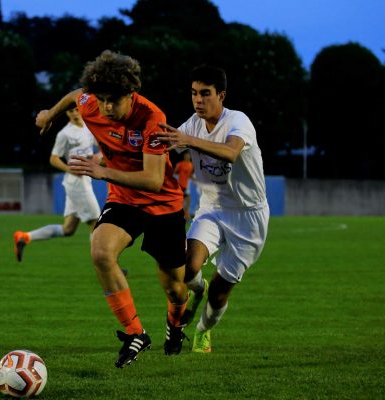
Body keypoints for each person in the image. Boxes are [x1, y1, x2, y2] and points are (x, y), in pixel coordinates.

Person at [32, 50, 188, 368]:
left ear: (131, 94)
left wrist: (103, 171)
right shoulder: (92, 104)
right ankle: (136, 332)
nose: (105, 107)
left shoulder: (151, 119)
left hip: (163, 206)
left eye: (113, 100)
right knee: (100, 252)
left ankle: (175, 323)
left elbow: (155, 180)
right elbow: (76, 95)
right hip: (124, 200)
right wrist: (50, 114)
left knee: (174, 286)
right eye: (102, 99)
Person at [158, 65, 269, 353]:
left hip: (249, 215)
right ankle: (199, 289)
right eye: (194, 93)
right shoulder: (192, 124)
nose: (198, 100)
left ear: (221, 95)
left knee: (220, 294)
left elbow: (230, 151)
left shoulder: (238, 122)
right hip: (212, 207)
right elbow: (164, 144)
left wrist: (189, 141)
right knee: (188, 267)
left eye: (205, 94)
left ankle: (203, 330)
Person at [13, 106, 101, 261]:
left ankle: (24, 237)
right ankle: (106, 265)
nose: (74, 113)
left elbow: (100, 146)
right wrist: (70, 169)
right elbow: (53, 158)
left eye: (75, 109)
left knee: (68, 229)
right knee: (96, 222)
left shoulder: (89, 127)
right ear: (66, 113)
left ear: (81, 109)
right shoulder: (65, 134)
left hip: (83, 180)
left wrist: (98, 156)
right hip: (77, 182)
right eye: (70, 111)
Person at [174, 150, 194, 222]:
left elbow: (190, 175)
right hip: (180, 185)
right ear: (184, 156)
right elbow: (175, 173)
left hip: (186, 185)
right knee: (181, 201)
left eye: (188, 155)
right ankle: (181, 216)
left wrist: (194, 179)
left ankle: (185, 216)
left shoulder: (191, 165)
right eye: (186, 155)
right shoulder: (180, 164)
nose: (187, 156)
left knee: (187, 200)